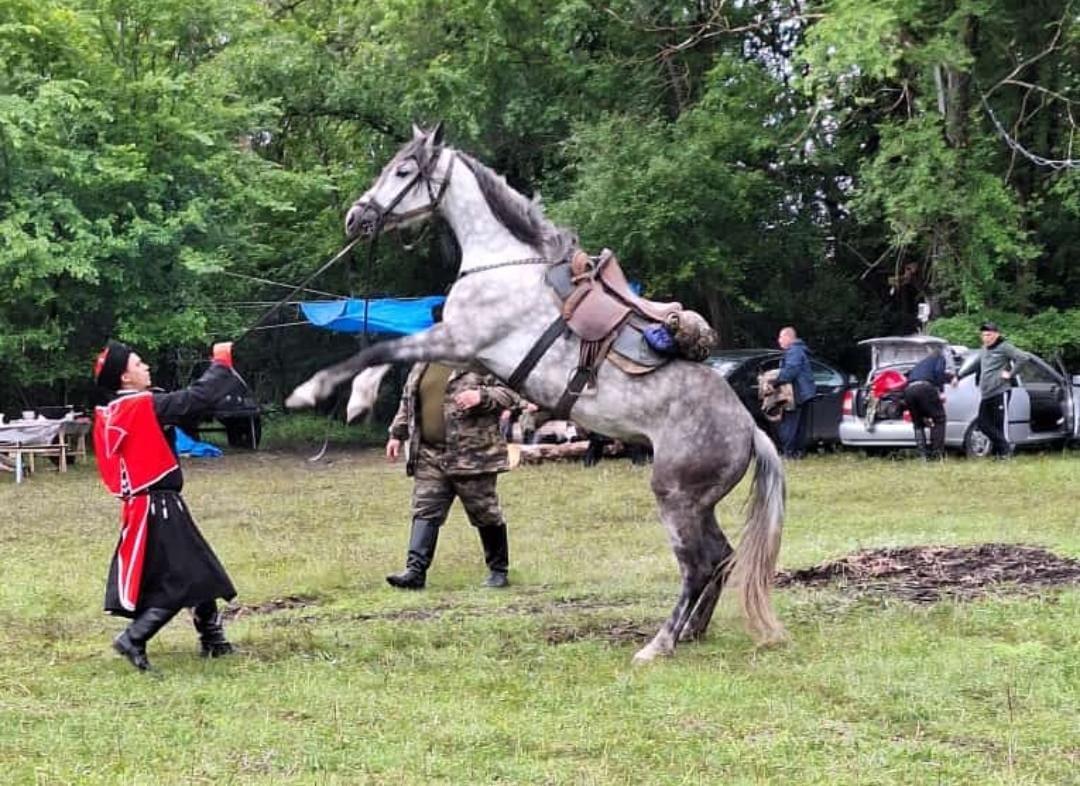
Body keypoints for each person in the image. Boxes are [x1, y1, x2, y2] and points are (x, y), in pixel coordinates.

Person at [92, 339, 246, 671]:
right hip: (156, 506)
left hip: (156, 504)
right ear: (125, 378)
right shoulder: (136, 406)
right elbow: (195, 399)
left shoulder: (123, 407)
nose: (145, 367)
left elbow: (174, 404)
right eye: (138, 363)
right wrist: (220, 365)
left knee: (199, 567)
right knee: (182, 577)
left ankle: (213, 640)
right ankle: (134, 637)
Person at [384, 354, 519, 590]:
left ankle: (498, 571)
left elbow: (512, 394)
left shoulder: (482, 361)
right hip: (429, 454)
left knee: (484, 511)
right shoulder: (423, 363)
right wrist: (397, 434)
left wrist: (481, 396)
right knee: (425, 508)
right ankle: (415, 572)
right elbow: (408, 401)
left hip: (472, 454)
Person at [955, 321, 1032, 459]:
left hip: (1000, 391)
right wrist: (959, 376)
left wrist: (1010, 374)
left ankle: (1003, 452)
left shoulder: (1004, 347)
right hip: (986, 393)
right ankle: (1002, 450)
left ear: (996, 334)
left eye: (989, 335)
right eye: (983, 335)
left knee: (998, 423)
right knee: (984, 424)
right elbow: (976, 364)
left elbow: (1023, 358)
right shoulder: (984, 349)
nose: (986, 338)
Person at [771, 326, 817, 458]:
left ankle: (789, 453)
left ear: (788, 338)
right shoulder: (799, 350)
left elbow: (791, 372)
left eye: (781, 337)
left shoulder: (794, 351)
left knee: (789, 424)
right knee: (799, 425)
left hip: (796, 393)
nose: (779, 340)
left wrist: (775, 380)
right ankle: (798, 452)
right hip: (803, 393)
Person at [904, 346, 956, 460]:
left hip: (909, 390)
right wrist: (941, 391)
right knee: (939, 419)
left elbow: (908, 376)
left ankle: (923, 455)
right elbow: (938, 372)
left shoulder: (922, 363)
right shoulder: (940, 358)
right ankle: (937, 454)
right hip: (925, 388)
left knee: (918, 424)